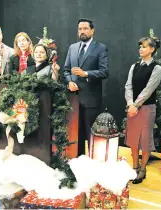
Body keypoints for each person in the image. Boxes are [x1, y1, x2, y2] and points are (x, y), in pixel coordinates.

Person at [63, 18, 109, 156]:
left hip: (91, 99)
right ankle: (77, 161)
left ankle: (92, 162)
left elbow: (104, 71)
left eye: (85, 28)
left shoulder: (100, 48)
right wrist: (70, 81)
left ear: (92, 30)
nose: (82, 31)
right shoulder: (72, 48)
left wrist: (85, 73)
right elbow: (66, 70)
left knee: (90, 133)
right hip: (73, 99)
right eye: (80, 29)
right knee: (75, 132)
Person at [125, 37, 161, 184]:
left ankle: (143, 169)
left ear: (152, 49)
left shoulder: (156, 68)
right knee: (133, 138)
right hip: (132, 109)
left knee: (145, 139)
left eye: (144, 47)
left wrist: (136, 105)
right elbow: (128, 86)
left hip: (146, 108)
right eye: (140, 46)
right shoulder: (134, 66)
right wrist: (130, 104)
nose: (141, 49)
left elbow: (149, 89)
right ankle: (134, 167)